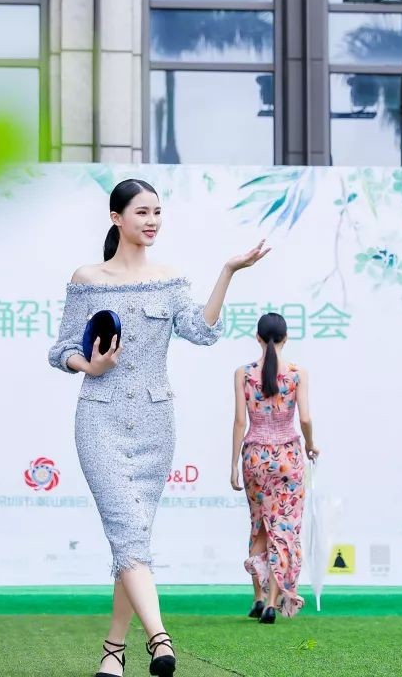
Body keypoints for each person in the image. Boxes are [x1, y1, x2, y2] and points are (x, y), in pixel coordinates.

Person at [48, 178, 269, 677]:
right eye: (142, 212)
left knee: (134, 541)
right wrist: (90, 366)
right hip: (100, 417)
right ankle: (160, 639)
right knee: (128, 532)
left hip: (155, 422)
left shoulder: (169, 279)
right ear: (116, 217)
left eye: (157, 212)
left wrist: (228, 271)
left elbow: (202, 332)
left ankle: (113, 650)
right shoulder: (87, 278)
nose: (152, 221)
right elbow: (61, 349)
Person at [229, 313, 317, 624]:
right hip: (287, 457)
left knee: (259, 526)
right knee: (283, 528)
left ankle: (257, 597)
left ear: (257, 337)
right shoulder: (296, 373)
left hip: (254, 456)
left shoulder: (243, 374)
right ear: (286, 338)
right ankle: (270, 602)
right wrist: (310, 445)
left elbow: (240, 421)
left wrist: (233, 465)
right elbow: (304, 418)